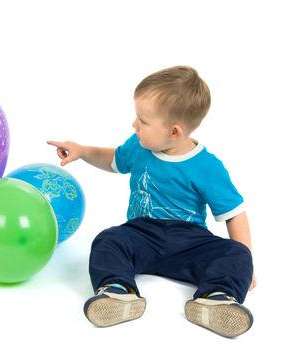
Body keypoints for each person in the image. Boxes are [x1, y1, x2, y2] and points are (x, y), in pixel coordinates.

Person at [47, 66, 255, 338]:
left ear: (174, 132)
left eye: (143, 121)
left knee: (236, 254)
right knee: (108, 240)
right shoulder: (139, 145)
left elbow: (234, 214)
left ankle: (217, 298)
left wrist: (247, 263)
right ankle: (118, 292)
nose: (135, 125)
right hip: (141, 234)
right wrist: (83, 151)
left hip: (190, 242)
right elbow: (113, 160)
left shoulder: (207, 167)